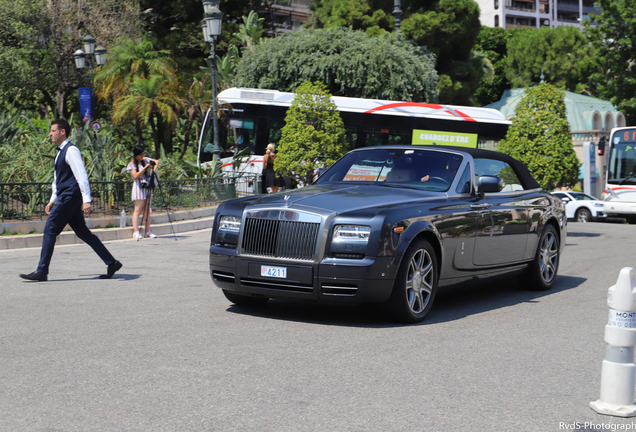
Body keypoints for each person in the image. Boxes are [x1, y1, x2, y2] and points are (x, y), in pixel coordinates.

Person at [19, 119, 122, 281]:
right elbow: (57, 179)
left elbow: (81, 176)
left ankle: (42, 271)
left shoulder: (71, 150)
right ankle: (112, 263)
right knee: (83, 233)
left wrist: (87, 200)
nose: (50, 134)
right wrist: (52, 199)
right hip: (66, 196)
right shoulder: (60, 152)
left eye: (53, 131)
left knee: (50, 229)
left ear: (62, 132)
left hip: (70, 196)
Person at [127, 145, 159, 240]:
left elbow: (156, 161)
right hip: (138, 187)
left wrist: (153, 171)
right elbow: (136, 176)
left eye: (143, 154)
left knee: (147, 210)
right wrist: (145, 167)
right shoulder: (132, 164)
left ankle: (147, 231)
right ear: (136, 155)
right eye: (141, 154)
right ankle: (136, 232)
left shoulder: (145, 159)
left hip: (147, 186)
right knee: (138, 210)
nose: (143, 156)